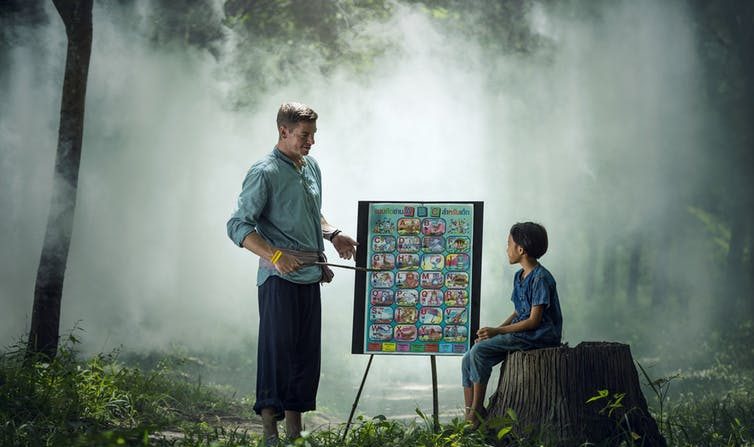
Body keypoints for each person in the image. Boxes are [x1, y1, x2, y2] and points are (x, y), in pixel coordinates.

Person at [226, 102, 358, 444]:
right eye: (304, 135)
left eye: (313, 135)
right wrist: (276, 255)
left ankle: (294, 433)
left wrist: (334, 234)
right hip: (278, 278)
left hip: (310, 275)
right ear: (283, 131)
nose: (311, 141)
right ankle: (270, 433)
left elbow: (311, 212)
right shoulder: (264, 172)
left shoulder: (311, 166)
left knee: (304, 355)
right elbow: (238, 225)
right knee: (277, 352)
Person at [461, 222, 563, 427]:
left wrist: (497, 331)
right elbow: (519, 310)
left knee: (480, 352)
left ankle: (474, 416)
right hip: (523, 332)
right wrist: (492, 331)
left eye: (508, 244)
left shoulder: (541, 278)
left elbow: (534, 321)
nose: (506, 249)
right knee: (468, 356)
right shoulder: (520, 276)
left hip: (540, 335)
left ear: (521, 249)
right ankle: (472, 411)